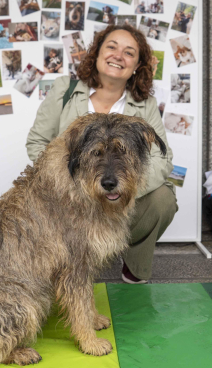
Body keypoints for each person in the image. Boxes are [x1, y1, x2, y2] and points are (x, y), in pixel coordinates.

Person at [26, 24, 176, 284]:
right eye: (112, 47)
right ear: (96, 54)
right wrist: (73, 185)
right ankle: (57, 266)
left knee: (163, 199)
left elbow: (162, 158)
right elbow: (38, 142)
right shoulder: (66, 89)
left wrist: (124, 188)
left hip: (122, 201)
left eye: (129, 53)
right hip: (71, 197)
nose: (119, 55)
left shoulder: (144, 104)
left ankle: (133, 262)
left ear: (137, 65)